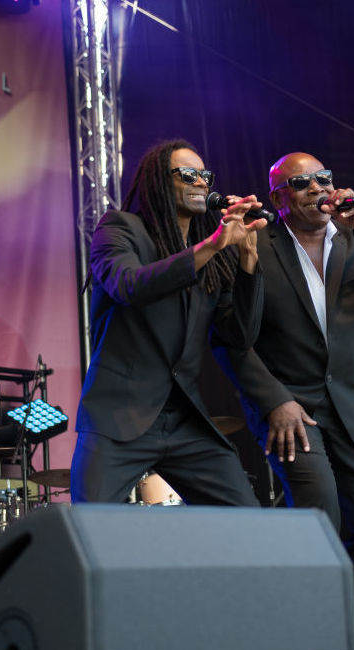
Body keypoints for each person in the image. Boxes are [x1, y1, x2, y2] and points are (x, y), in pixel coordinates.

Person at [216, 152, 354, 650]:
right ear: (280, 197)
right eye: (301, 183)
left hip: (351, 405)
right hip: (291, 410)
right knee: (318, 521)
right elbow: (231, 340)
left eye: (323, 178)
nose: (317, 188)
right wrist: (274, 401)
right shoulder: (257, 243)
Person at [71, 138, 267, 507]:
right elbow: (129, 286)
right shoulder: (119, 228)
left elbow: (239, 335)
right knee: (91, 530)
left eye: (204, 175)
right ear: (160, 182)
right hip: (119, 417)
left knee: (246, 518)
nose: (200, 182)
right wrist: (212, 245)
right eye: (188, 174)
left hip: (184, 420)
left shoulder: (215, 256)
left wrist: (248, 262)